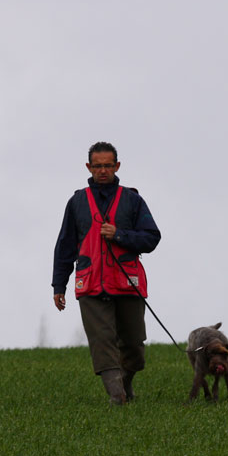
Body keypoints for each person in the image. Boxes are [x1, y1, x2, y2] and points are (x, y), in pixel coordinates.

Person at [53, 142, 162, 405]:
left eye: (108, 166)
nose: (103, 171)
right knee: (103, 343)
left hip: (127, 283)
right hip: (90, 284)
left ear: (117, 166)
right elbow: (65, 246)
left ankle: (125, 385)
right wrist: (59, 286)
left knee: (134, 346)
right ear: (89, 167)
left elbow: (152, 238)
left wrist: (120, 234)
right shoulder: (77, 202)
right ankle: (117, 398)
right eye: (98, 166)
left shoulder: (133, 200)